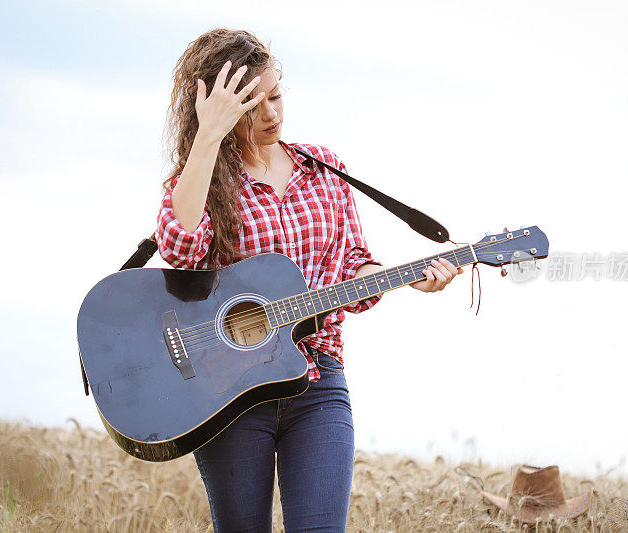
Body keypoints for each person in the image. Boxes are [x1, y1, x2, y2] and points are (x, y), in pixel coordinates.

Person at [155, 28, 462, 532]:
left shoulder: (324, 170)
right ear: (217, 109)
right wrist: (207, 137)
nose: (271, 114)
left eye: (275, 96)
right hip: (229, 394)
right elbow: (182, 251)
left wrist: (412, 278)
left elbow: (350, 267)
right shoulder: (199, 180)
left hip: (317, 380)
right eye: (251, 106)